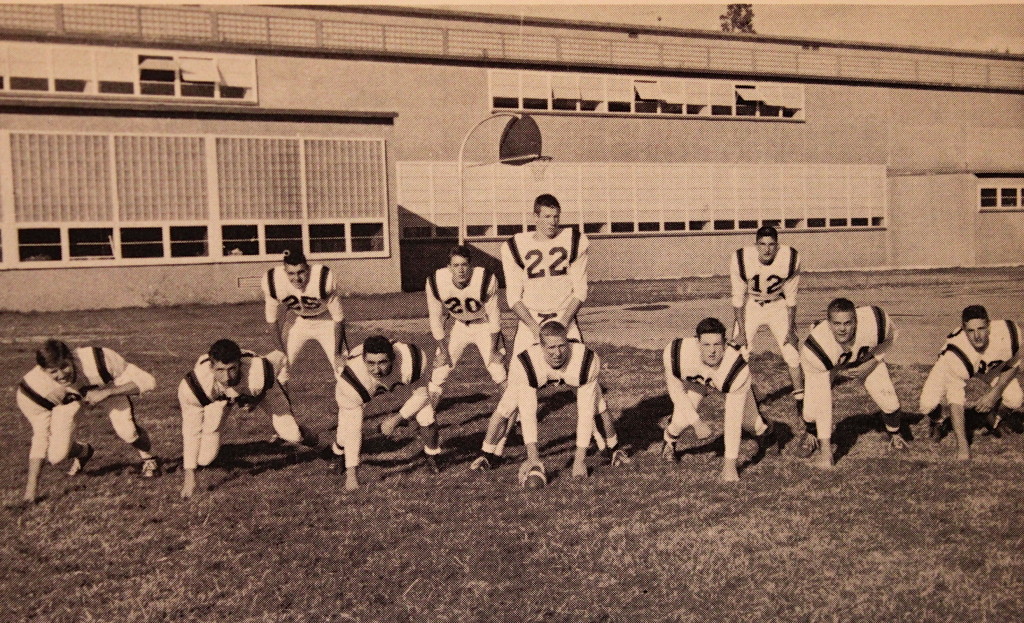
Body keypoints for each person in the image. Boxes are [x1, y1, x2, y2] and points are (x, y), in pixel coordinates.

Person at [473, 194, 618, 469]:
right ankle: (491, 452)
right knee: (516, 388)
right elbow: (513, 297)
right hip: (531, 323)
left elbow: (580, 291)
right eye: (547, 216)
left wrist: (560, 324)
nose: (552, 222)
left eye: (556, 216)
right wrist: (536, 327)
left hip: (565, 320)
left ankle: (609, 447)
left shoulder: (574, 240)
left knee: (588, 383)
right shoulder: (515, 246)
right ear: (535, 216)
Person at [17, 339, 161, 503]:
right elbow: (40, 437)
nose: (62, 375)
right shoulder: (34, 389)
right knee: (56, 456)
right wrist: (31, 489)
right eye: (53, 371)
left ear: (72, 357)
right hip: (68, 401)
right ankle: (84, 452)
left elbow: (148, 381)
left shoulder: (98, 359)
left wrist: (108, 392)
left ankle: (150, 458)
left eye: (64, 366)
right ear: (43, 371)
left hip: (106, 388)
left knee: (127, 432)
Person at [178, 339, 316, 499]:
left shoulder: (258, 371)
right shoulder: (196, 386)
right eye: (220, 370)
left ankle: (322, 446)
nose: (227, 377)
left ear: (240, 364)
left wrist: (256, 399)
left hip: (258, 388)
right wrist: (190, 477)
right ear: (211, 367)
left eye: (232, 369)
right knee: (204, 459)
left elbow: (281, 357)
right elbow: (191, 431)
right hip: (219, 397)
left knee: (292, 435)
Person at [662, 318, 779, 482]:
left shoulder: (736, 369)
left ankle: (768, 430)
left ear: (725, 344)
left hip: (725, 380)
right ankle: (669, 441)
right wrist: (696, 423)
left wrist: (730, 467)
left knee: (751, 424)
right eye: (706, 345)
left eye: (717, 345)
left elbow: (732, 420)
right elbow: (676, 393)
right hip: (696, 381)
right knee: (681, 420)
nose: (712, 351)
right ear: (697, 343)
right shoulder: (676, 353)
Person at [506, 322, 625, 481]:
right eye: (552, 348)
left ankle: (614, 448)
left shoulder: (586, 359)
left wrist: (580, 460)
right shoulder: (525, 362)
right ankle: (490, 452)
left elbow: (585, 414)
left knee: (597, 406)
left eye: (561, 346)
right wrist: (532, 457)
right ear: (540, 347)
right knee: (510, 407)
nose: (557, 353)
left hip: (573, 359)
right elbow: (528, 414)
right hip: (540, 338)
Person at [798, 298, 904, 467]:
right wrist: (827, 453)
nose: (842, 329)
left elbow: (892, 336)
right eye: (836, 324)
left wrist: (872, 362)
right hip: (829, 364)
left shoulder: (876, 321)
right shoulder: (816, 348)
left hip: (865, 359)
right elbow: (824, 402)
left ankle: (895, 434)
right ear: (828, 323)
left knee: (891, 404)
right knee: (812, 411)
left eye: (848, 323)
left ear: (856, 320)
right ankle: (811, 433)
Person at [334, 336, 437, 491]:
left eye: (382, 362)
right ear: (363, 359)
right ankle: (339, 453)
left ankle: (431, 456)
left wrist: (396, 419)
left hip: (400, 381)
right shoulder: (350, 379)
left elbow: (422, 396)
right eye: (370, 363)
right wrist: (352, 476)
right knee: (346, 432)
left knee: (426, 416)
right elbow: (353, 429)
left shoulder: (410, 361)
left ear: (393, 358)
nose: (377, 370)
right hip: (363, 386)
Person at [919, 305, 1021, 460]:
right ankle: (939, 421)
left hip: (988, 366)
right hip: (957, 364)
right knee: (927, 404)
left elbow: (1013, 364)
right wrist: (963, 446)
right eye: (970, 331)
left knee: (1015, 399)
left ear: (989, 326)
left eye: (981, 328)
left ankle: (993, 418)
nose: (977, 336)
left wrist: (995, 394)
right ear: (963, 329)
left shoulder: (1009, 334)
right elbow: (956, 401)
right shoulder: (956, 354)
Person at [730, 225, 804, 412]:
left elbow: (791, 297)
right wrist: (741, 331)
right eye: (762, 244)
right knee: (740, 352)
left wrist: (790, 330)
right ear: (756, 245)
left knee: (791, 352)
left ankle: (801, 400)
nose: (767, 249)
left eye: (771, 244)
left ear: (777, 246)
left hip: (777, 304)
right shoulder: (741, 259)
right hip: (752, 305)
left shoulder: (790, 258)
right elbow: (738, 298)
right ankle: (748, 394)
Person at [425, 245, 506, 408]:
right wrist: (443, 350)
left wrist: (494, 349)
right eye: (456, 265)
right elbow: (435, 318)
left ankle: (514, 414)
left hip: (484, 324)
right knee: (440, 371)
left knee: (498, 371)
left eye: (464, 265)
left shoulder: (485, 279)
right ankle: (427, 415)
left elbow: (495, 316)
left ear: (471, 266)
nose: (460, 270)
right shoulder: (435, 281)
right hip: (459, 326)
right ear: (449, 268)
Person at [262, 250, 347, 384]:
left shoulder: (322, 279)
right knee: (280, 369)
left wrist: (337, 354)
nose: (297, 278)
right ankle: (282, 405)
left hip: (325, 320)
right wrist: (280, 351)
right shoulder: (273, 282)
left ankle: (348, 405)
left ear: (308, 269)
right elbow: (271, 320)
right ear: (284, 272)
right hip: (297, 320)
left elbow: (338, 318)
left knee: (343, 371)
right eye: (291, 273)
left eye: (301, 272)